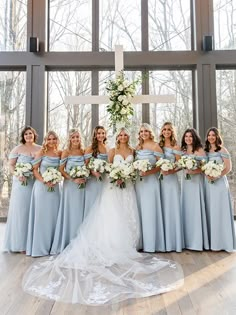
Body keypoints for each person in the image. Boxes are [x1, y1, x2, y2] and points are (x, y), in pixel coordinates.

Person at [22, 127, 184, 305]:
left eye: (124, 134)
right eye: (120, 134)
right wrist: (113, 175)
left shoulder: (132, 150)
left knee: (129, 214)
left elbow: (135, 165)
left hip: (129, 186)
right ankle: (111, 242)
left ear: (128, 136)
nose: (122, 136)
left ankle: (132, 242)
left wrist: (125, 174)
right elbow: (106, 167)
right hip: (112, 185)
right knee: (111, 215)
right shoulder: (109, 151)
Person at [3, 126, 41, 253]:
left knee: (32, 211)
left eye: (30, 133)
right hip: (20, 183)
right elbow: (11, 165)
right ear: (23, 136)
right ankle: (19, 244)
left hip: (33, 182)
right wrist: (18, 174)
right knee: (21, 212)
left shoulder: (40, 148)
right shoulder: (18, 149)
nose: (28, 136)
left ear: (34, 135)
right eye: (26, 134)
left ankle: (31, 242)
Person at [26, 131, 62, 257]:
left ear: (57, 140)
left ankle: (52, 246)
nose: (51, 141)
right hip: (42, 188)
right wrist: (44, 181)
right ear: (45, 140)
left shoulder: (60, 153)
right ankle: (39, 248)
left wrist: (57, 179)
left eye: (54, 139)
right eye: (49, 139)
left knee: (54, 217)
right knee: (42, 217)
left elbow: (62, 170)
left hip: (55, 189)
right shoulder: (42, 152)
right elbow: (34, 170)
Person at [50, 129, 85, 254]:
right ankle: (68, 241)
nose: (75, 139)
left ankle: (80, 241)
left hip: (82, 186)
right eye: (73, 137)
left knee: (80, 212)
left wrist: (83, 176)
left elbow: (87, 166)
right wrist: (72, 179)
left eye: (77, 137)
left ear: (80, 138)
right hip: (70, 186)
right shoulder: (66, 152)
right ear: (70, 139)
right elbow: (61, 170)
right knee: (70, 212)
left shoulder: (83, 151)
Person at [204, 127, 236, 251]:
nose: (211, 137)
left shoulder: (223, 149)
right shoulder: (206, 151)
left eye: (213, 135)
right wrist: (208, 175)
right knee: (210, 210)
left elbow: (228, 168)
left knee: (219, 210)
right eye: (209, 135)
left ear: (217, 137)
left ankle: (223, 242)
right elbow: (203, 166)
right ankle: (212, 242)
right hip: (208, 183)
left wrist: (216, 176)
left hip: (220, 183)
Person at [135, 123, 165, 252]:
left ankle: (152, 244)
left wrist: (148, 172)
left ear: (150, 132)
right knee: (139, 212)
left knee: (150, 211)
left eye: (146, 131)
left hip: (151, 182)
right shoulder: (138, 147)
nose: (143, 133)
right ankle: (141, 243)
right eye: (141, 131)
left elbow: (161, 165)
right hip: (139, 183)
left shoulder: (155, 146)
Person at [180, 128, 209, 250]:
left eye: (190, 136)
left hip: (196, 183)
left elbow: (204, 168)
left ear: (194, 137)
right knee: (186, 209)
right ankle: (186, 241)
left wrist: (193, 170)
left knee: (196, 209)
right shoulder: (183, 150)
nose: (188, 138)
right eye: (186, 136)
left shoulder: (199, 150)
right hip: (185, 183)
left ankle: (197, 242)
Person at [159, 122, 183, 252]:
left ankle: (174, 242)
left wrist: (171, 171)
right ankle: (163, 241)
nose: (166, 131)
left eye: (169, 129)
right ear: (162, 131)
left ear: (172, 132)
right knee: (162, 208)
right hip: (160, 180)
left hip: (171, 180)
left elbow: (180, 164)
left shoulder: (176, 146)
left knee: (172, 208)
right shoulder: (159, 145)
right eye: (164, 129)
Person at [83, 126, 108, 218]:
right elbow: (86, 165)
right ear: (95, 135)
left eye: (103, 133)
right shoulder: (90, 148)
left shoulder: (107, 147)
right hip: (93, 181)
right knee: (93, 204)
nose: (101, 135)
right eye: (99, 133)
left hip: (104, 180)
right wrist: (93, 171)